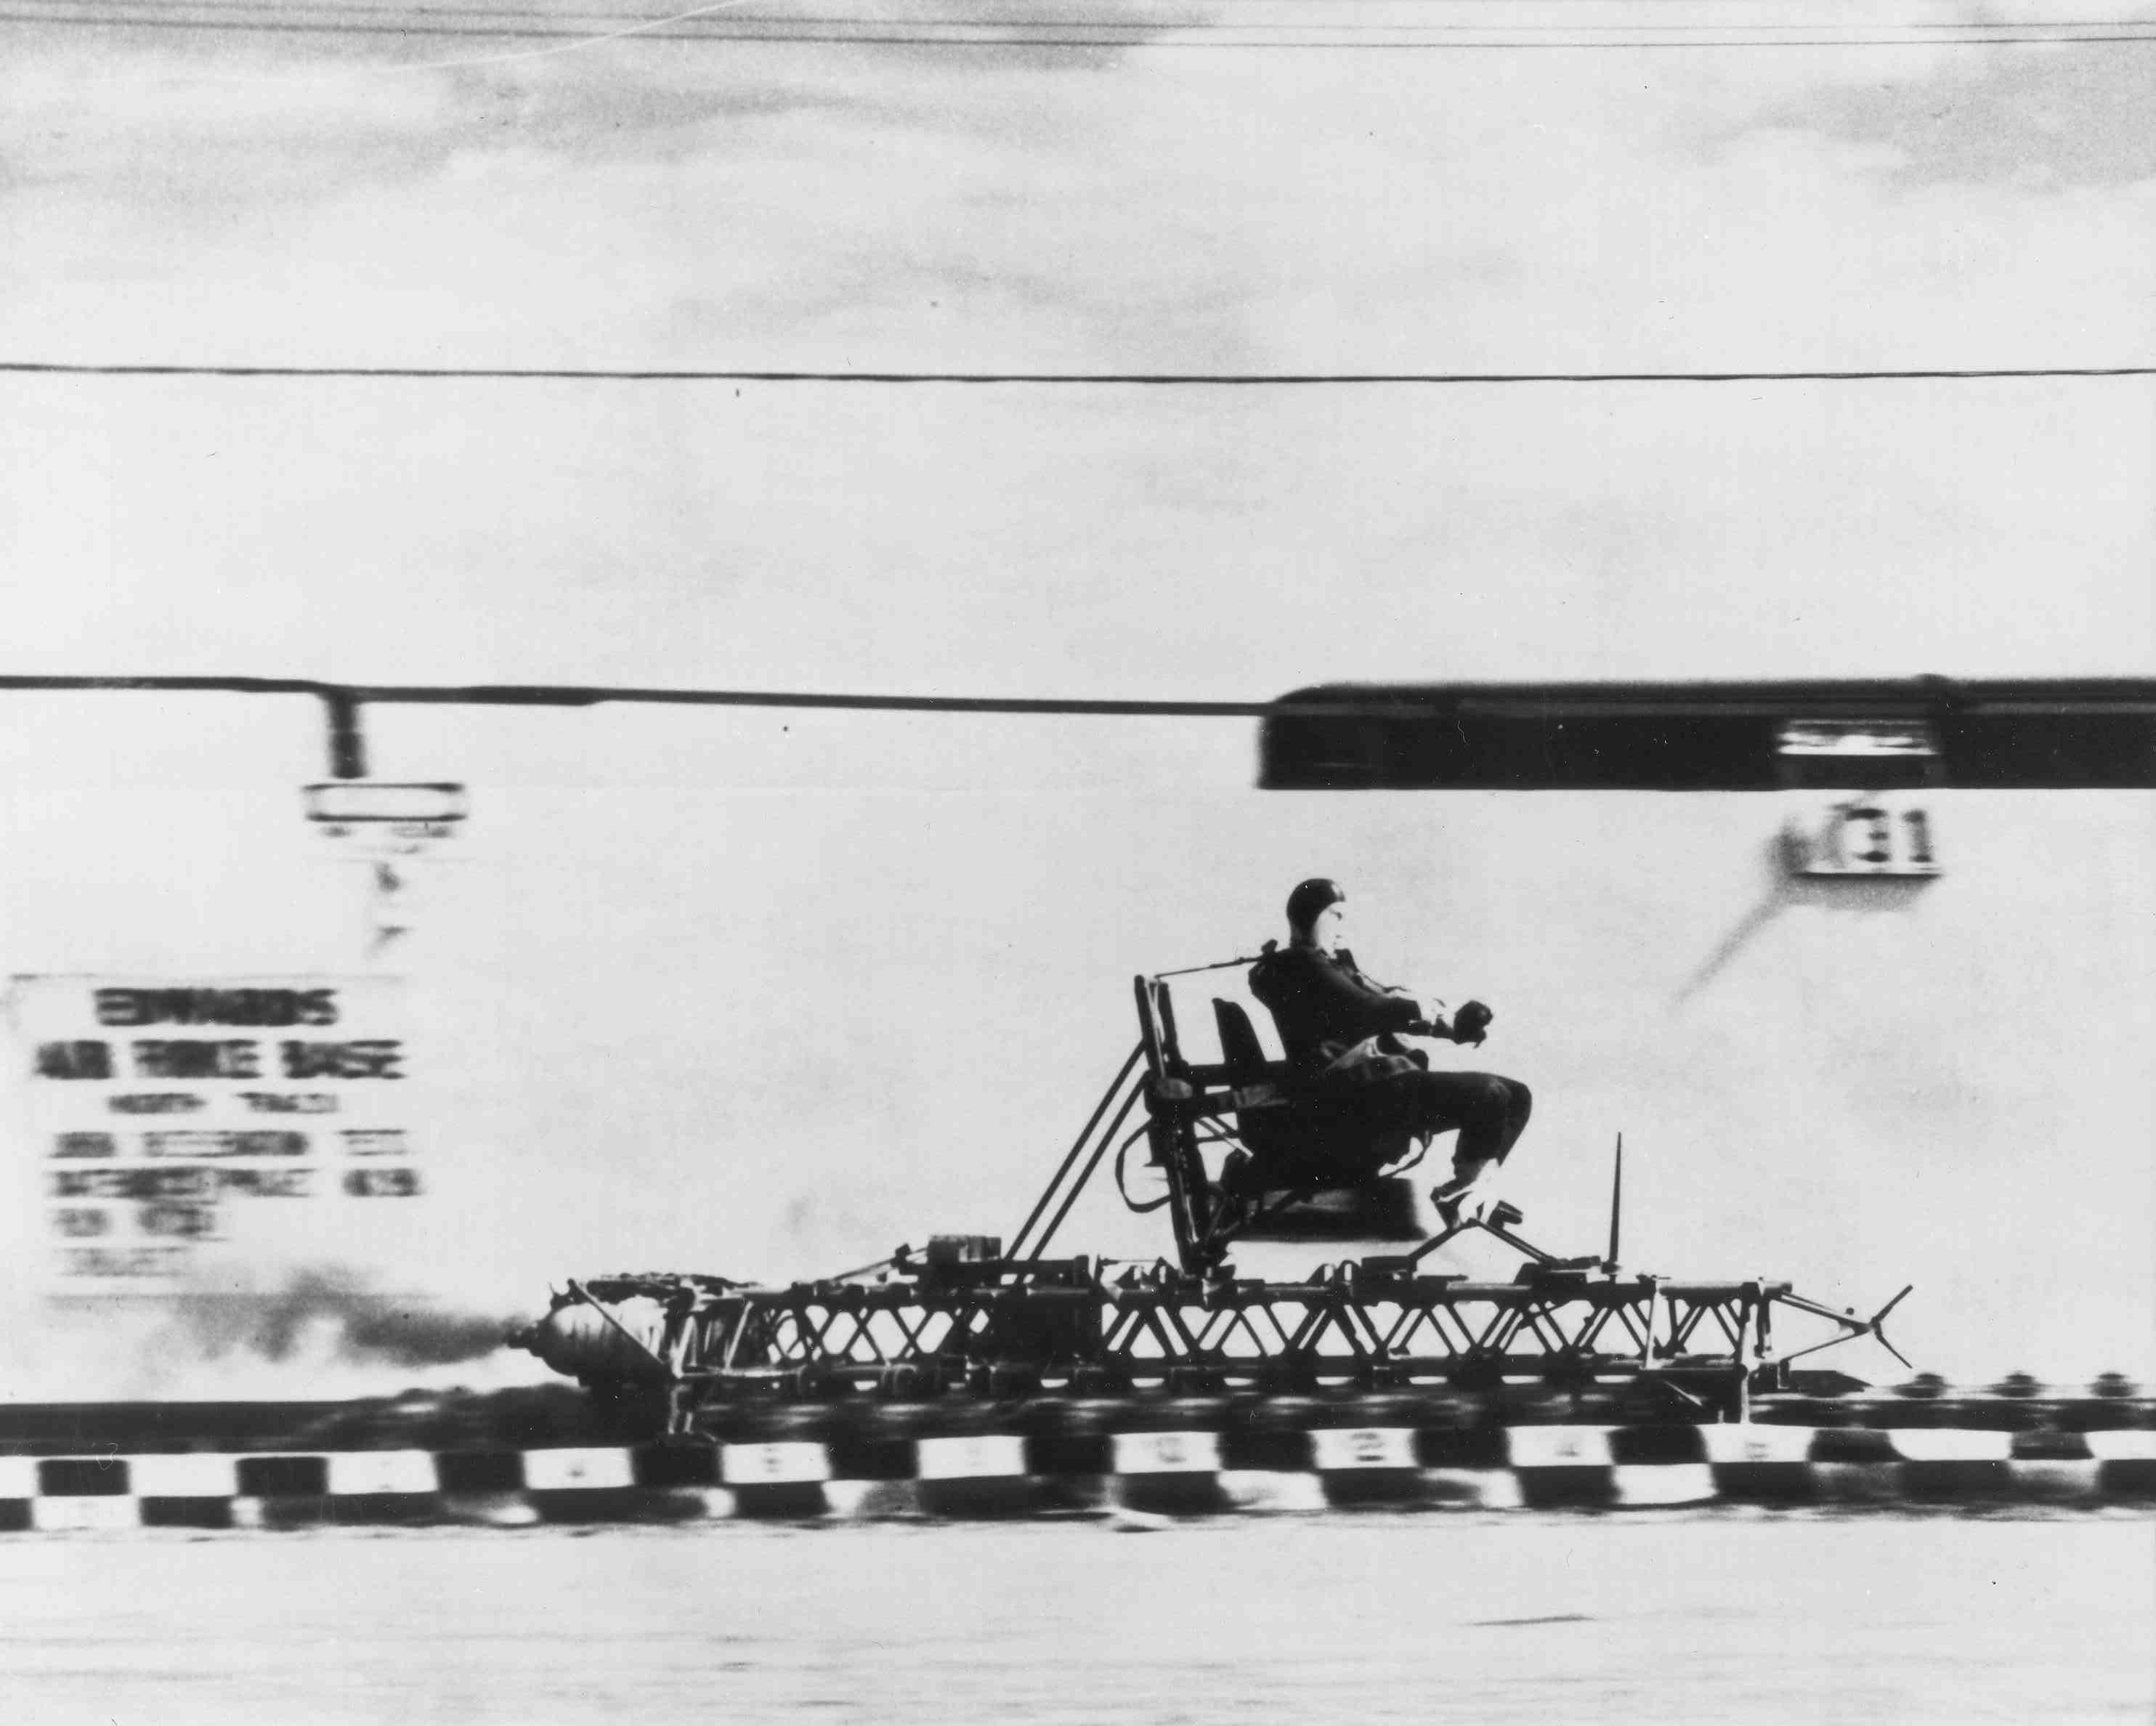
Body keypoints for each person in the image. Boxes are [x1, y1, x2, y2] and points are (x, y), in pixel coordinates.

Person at [1247, 877, 1531, 1227]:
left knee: (1517, 1096)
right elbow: (1369, 1009)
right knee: (1490, 1096)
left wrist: (1452, 1025)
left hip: (1373, 1086)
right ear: (1309, 918)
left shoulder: (1326, 966)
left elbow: (1380, 1001)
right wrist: (1440, 1018)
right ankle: (1464, 1194)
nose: (1342, 927)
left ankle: (1470, 1189)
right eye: (1335, 916)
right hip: (1350, 1096)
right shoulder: (1301, 966)